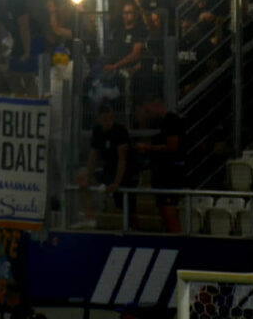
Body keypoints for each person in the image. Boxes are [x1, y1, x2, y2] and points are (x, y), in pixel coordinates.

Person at [135, 96, 187, 233]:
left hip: (170, 175)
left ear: (156, 105)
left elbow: (171, 147)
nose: (148, 113)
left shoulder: (172, 121)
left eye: (148, 109)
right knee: (164, 213)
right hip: (162, 175)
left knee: (169, 214)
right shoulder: (161, 124)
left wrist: (148, 148)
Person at [77, 102, 130, 221]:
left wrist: (116, 182)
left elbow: (122, 160)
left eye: (110, 119)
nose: (108, 122)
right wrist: (88, 177)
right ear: (99, 120)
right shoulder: (97, 131)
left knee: (129, 211)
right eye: (104, 120)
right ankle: (89, 216)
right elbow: (93, 156)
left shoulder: (120, 131)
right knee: (82, 177)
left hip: (125, 173)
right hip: (108, 170)